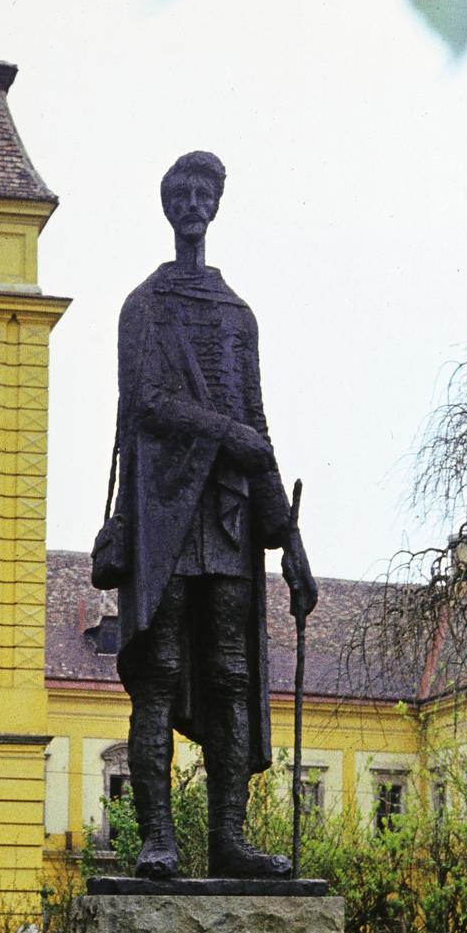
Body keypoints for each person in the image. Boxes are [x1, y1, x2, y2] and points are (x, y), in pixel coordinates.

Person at [105, 150, 317, 880]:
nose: (194, 202)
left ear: (217, 205)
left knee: (230, 671)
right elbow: (147, 405)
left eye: (205, 192)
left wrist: (291, 544)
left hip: (227, 520)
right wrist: (229, 435)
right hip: (162, 514)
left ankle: (230, 836)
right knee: (158, 670)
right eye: (182, 191)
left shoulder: (237, 315)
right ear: (168, 206)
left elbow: (257, 420)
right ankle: (156, 838)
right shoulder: (145, 305)